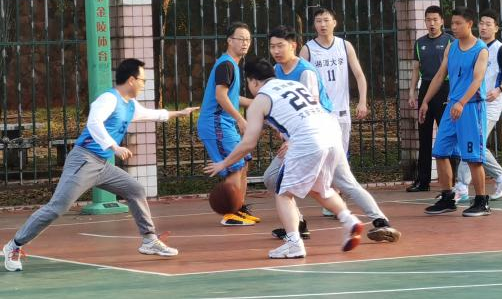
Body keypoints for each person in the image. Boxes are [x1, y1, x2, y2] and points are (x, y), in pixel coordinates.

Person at [2, 59, 198, 272]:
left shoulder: (130, 105)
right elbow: (94, 122)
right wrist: (114, 146)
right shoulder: (108, 99)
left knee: (135, 189)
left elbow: (152, 114)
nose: (144, 84)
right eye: (142, 80)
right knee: (58, 208)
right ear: (131, 80)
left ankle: (149, 240)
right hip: (84, 160)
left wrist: (180, 113)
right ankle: (14, 244)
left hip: (102, 165)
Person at [205, 58, 364, 259]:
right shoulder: (294, 85)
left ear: (253, 81)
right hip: (331, 134)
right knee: (319, 189)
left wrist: (223, 163)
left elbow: (249, 143)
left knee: (283, 193)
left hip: (308, 140)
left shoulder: (261, 100)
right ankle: (350, 221)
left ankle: (294, 244)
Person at [268, 25, 400, 243]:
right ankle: (297, 223)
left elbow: (311, 110)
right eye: (272, 46)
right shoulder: (276, 71)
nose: (276, 50)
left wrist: (292, 140)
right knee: (273, 178)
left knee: (343, 180)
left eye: (280, 46)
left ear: (293, 45)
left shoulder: (306, 72)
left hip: (319, 132)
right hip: (303, 137)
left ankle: (381, 222)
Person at [421, 7, 490, 217]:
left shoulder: (480, 50)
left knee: (473, 158)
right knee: (440, 151)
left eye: (458, 23)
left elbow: (477, 80)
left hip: (471, 107)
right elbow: (440, 75)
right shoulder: (451, 48)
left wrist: (461, 102)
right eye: (452, 23)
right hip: (452, 106)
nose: (454, 27)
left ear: (469, 24)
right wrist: (425, 101)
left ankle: (481, 201)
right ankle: (447, 198)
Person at [197, 22, 260, 226]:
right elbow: (221, 96)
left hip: (223, 123)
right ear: (229, 41)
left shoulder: (232, 65)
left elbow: (232, 97)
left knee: (243, 162)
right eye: (240, 39)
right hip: (215, 123)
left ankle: (238, 208)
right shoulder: (226, 64)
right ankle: (230, 213)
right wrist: (240, 118)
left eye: (248, 39)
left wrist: (257, 102)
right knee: (235, 166)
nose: (245, 43)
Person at [453, 9, 502, 202]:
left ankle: (462, 186)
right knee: (474, 144)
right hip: (473, 103)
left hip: (490, 105)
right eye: (482, 23)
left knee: (471, 143)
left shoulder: (501, 50)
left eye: (488, 24)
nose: (484, 27)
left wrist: (499, 89)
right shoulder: (475, 47)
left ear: (496, 28)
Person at [300, 7, 368, 155]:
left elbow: (359, 75)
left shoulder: (344, 45)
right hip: (318, 110)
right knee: (321, 153)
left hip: (341, 109)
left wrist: (362, 101)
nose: (322, 24)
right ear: (314, 24)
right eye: (318, 21)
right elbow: (300, 82)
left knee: (341, 154)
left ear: (334, 23)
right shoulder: (307, 49)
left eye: (326, 20)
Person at [407, 5, 454, 192]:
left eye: (435, 19)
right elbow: (415, 70)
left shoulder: (450, 41)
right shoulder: (419, 43)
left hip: (444, 89)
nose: (432, 23)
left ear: (442, 21)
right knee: (424, 136)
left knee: (447, 135)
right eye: (428, 20)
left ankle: (452, 181)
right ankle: (423, 180)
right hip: (426, 88)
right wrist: (412, 92)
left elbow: (453, 69)